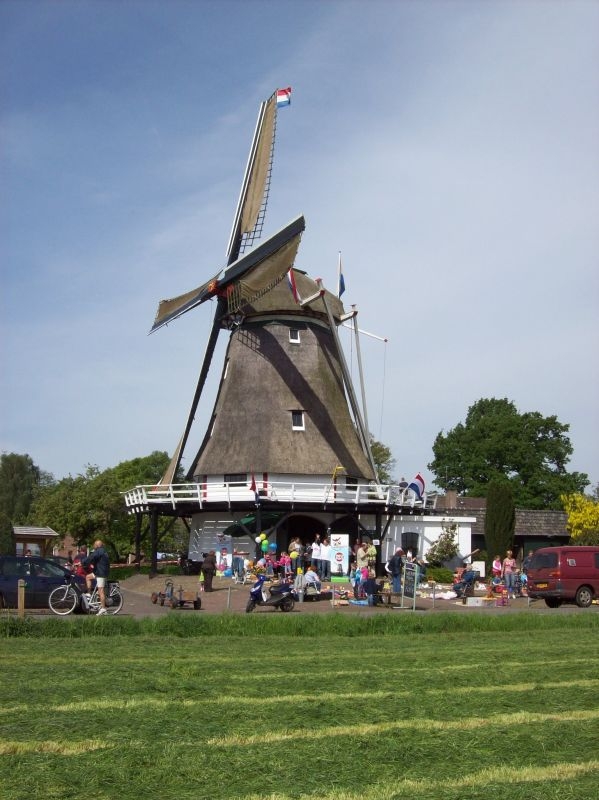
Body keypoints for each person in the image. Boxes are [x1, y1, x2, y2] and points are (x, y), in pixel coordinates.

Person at [83, 539, 110, 614]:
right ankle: (88, 593)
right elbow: (94, 560)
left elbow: (91, 557)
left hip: (101, 573)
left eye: (94, 544)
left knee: (100, 591)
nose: (93, 546)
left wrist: (84, 563)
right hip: (98, 572)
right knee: (88, 577)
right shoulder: (101, 551)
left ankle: (103, 608)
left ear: (97, 545)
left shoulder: (99, 551)